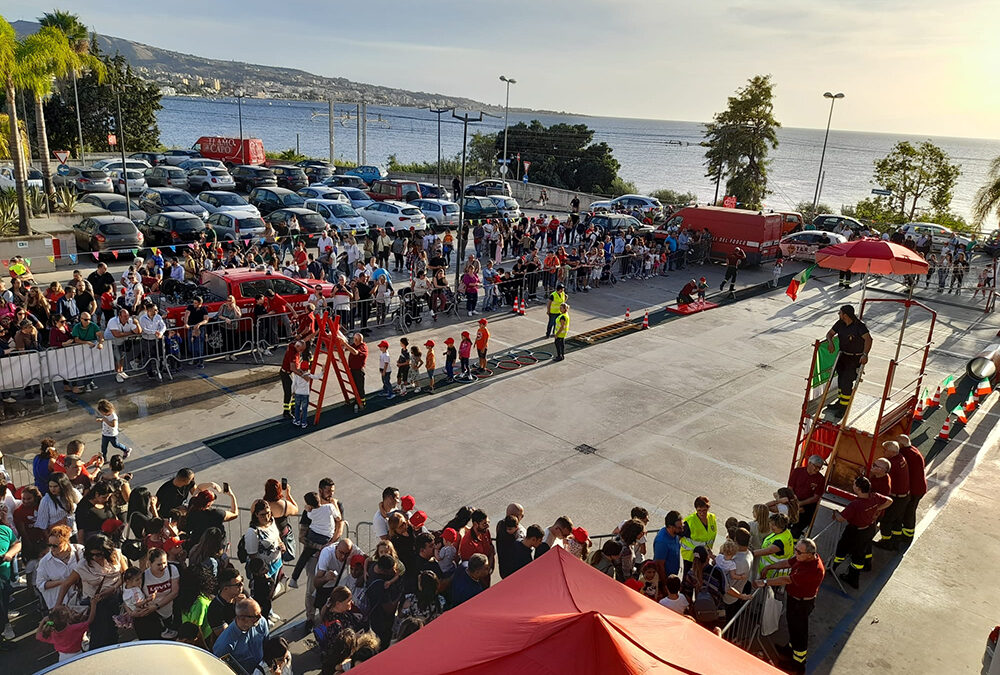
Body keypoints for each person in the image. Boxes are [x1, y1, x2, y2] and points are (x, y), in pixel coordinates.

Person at [755, 538, 825, 673]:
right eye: (795, 550)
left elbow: (786, 579)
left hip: (802, 604)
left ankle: (798, 664)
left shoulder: (813, 570)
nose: (795, 553)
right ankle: (790, 649)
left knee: (800, 633)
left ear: (810, 554)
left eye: (799, 552)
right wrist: (770, 567)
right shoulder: (802, 559)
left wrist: (764, 582)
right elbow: (788, 562)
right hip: (795, 600)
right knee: (793, 628)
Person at [833, 476, 892, 588]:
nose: (853, 486)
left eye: (854, 484)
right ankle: (853, 577)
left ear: (858, 489)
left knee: (842, 548)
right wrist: (878, 508)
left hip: (855, 531)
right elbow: (889, 501)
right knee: (859, 555)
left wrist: (835, 513)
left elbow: (841, 518)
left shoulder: (855, 504)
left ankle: (834, 567)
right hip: (868, 529)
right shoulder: (874, 497)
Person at [825, 304, 872, 418]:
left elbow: (868, 340)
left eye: (840, 313)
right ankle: (840, 402)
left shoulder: (859, 326)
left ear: (845, 315)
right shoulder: (840, 324)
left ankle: (844, 407)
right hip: (843, 356)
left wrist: (865, 355)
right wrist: (830, 342)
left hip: (855, 358)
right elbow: (829, 334)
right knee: (841, 380)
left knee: (846, 382)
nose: (839, 315)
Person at [213, 598, 270, 673]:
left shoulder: (261, 622)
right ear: (242, 618)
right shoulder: (224, 644)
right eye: (256, 616)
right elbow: (221, 669)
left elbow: (267, 645)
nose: (260, 617)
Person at [874, 440, 910, 552]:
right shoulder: (900, 458)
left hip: (898, 497)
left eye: (885, 450)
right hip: (904, 496)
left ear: (892, 452)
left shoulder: (892, 464)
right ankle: (896, 541)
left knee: (886, 521)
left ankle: (886, 541)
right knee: (897, 520)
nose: (883, 452)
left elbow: (879, 476)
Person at [897, 434, 927, 547]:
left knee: (908, 512)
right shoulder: (914, 451)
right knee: (909, 511)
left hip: (914, 490)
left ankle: (907, 536)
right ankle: (907, 534)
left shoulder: (906, 455)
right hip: (919, 487)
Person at [788, 455, 826, 538]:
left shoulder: (820, 479)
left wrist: (800, 503)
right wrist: (795, 501)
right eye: (815, 467)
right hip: (793, 500)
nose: (817, 469)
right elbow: (790, 488)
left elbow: (816, 497)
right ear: (809, 463)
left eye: (819, 468)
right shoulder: (798, 471)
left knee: (797, 528)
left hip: (807, 504)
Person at [679, 496, 717, 574]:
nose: (702, 513)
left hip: (704, 556)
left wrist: (710, 553)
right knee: (688, 578)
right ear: (696, 509)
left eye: (704, 510)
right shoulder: (689, 522)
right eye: (699, 510)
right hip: (690, 557)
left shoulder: (712, 518)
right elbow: (678, 536)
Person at [752, 513, 794, 579]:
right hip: (771, 568)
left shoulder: (780, 541)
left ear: (781, 526)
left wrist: (751, 553)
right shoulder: (784, 532)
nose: (771, 526)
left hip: (772, 572)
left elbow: (769, 550)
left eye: (774, 525)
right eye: (770, 523)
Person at [279, 341, 308, 419]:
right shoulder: (293, 355)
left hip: (290, 373)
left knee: (295, 390)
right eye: (301, 350)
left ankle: (294, 407)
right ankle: (286, 412)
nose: (301, 352)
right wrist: (303, 376)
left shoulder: (294, 345)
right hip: (286, 374)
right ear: (297, 347)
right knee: (288, 392)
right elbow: (293, 368)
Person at [652, 510, 683, 577]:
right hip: (666, 579)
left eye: (682, 526)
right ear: (670, 527)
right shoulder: (662, 542)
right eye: (679, 528)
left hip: (672, 577)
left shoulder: (675, 534)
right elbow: (659, 566)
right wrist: (664, 585)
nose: (682, 529)